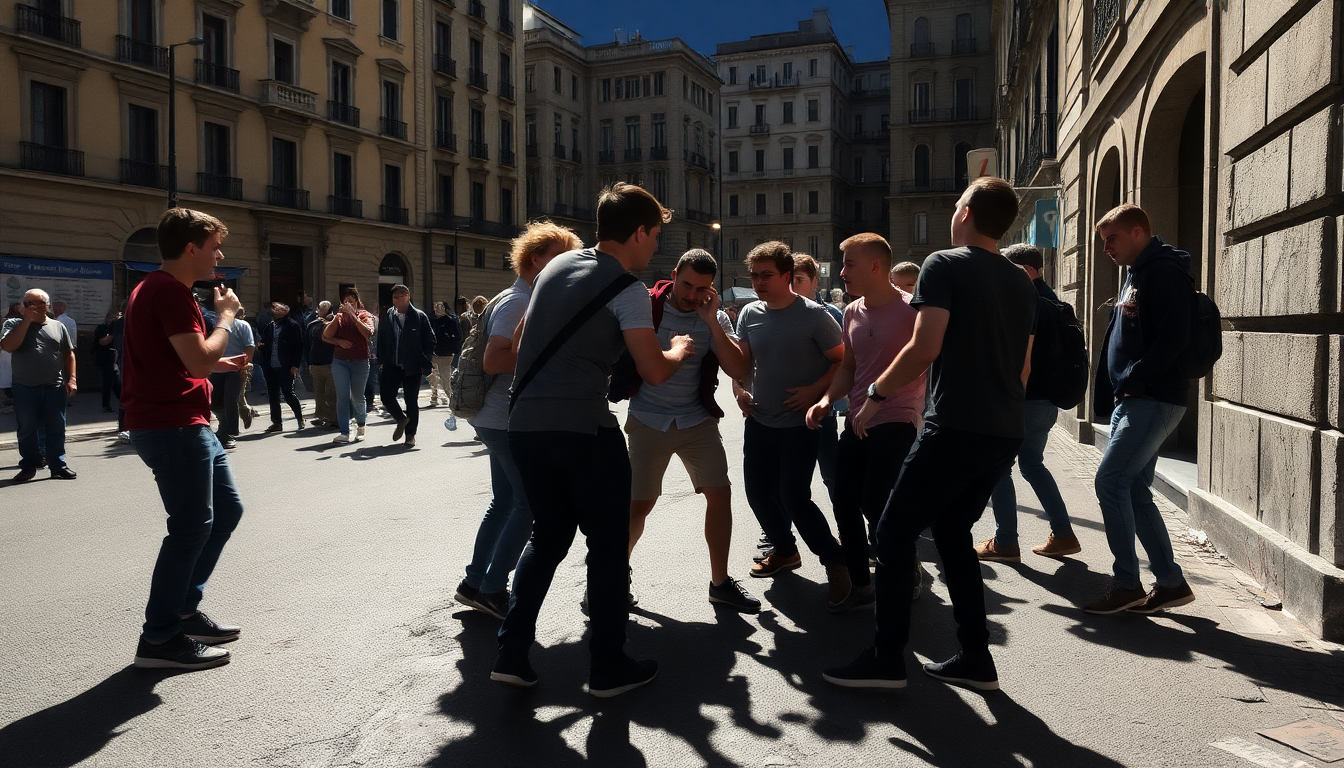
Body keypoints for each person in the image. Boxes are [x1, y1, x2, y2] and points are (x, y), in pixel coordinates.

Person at [824, 177, 1035, 692]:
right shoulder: (1020, 281)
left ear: (964, 212)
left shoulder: (945, 262)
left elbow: (925, 346)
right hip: (1004, 428)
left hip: (957, 425)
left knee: (894, 534)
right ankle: (975, 658)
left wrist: (874, 396)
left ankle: (887, 659)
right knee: (951, 533)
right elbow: (1024, 368)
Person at [495, 183, 691, 697]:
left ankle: (512, 653)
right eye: (655, 237)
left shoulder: (555, 269)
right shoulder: (626, 289)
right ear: (641, 232)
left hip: (526, 426)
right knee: (607, 547)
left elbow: (518, 344)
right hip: (583, 428)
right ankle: (607, 667)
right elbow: (652, 369)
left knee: (547, 536)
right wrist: (678, 348)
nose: (655, 248)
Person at [123, 207, 248, 670]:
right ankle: (159, 638)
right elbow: (195, 361)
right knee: (192, 526)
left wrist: (222, 364)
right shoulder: (171, 293)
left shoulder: (155, 289)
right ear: (191, 248)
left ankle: (182, 610)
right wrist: (227, 318)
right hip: (172, 424)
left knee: (225, 511)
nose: (220, 255)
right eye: (215, 246)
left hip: (182, 420)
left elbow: (179, 357)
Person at [621, 249, 760, 613]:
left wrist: (713, 322)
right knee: (639, 506)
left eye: (703, 288)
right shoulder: (647, 306)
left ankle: (720, 583)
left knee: (720, 494)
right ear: (675, 273)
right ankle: (613, 577)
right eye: (687, 285)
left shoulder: (711, 313)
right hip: (649, 418)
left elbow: (739, 368)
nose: (693, 295)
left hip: (696, 419)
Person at [456, 221, 583, 619]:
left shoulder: (527, 297)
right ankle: (492, 588)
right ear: (535, 259)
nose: (566, 265)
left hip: (498, 418)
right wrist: (545, 352)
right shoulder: (519, 301)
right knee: (528, 505)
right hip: (503, 419)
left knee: (505, 501)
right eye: (559, 257)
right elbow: (495, 359)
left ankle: (475, 581)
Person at [1082, 204, 1197, 615]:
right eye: (1103, 241)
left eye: (1112, 238)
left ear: (1138, 232)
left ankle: (1127, 583)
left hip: (1151, 399)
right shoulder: (1137, 272)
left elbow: (1174, 337)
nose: (1107, 247)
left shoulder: (1162, 271)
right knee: (1131, 488)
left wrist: (1133, 379)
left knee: (1110, 482)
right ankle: (1170, 583)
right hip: (1136, 400)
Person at [806, 233, 925, 612]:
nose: (841, 272)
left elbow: (922, 361)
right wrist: (826, 400)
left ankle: (907, 567)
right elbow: (850, 367)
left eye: (849, 264)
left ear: (876, 266)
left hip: (897, 419)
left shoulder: (912, 310)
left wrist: (880, 398)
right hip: (856, 420)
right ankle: (861, 586)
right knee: (844, 503)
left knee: (877, 503)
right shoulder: (852, 312)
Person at [732, 242, 848, 607]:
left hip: (801, 425)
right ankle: (785, 551)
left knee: (794, 497)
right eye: (754, 275)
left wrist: (814, 391)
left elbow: (842, 362)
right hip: (760, 421)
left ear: (786, 276)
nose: (759, 282)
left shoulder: (815, 315)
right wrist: (738, 389)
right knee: (757, 493)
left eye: (766, 275)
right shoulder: (749, 312)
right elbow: (741, 364)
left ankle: (836, 562)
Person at [976, 244, 1081, 563]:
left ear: (1025, 271)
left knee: (997, 467)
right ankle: (1063, 533)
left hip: (1020, 400)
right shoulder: (1056, 303)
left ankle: (1006, 541)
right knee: (1032, 464)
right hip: (1045, 401)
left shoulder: (1026, 303)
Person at [2, 288, 77, 482]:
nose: (32, 307)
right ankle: (28, 466)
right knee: (27, 429)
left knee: (56, 428)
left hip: (54, 387)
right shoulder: (14, 324)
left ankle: (58, 465)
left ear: (47, 305)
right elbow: (9, 346)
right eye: (27, 303)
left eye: (37, 303)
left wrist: (72, 379)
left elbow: (69, 354)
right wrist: (27, 321)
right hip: (25, 388)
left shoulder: (57, 326)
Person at [376, 285, 435, 448]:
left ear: (408, 297)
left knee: (411, 401)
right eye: (394, 298)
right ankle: (400, 418)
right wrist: (381, 359)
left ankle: (410, 435)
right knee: (386, 396)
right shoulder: (388, 315)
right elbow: (381, 338)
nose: (396, 301)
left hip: (411, 366)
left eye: (400, 297)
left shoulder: (418, 316)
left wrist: (425, 359)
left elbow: (430, 340)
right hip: (391, 364)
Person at [323, 287, 375, 444]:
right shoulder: (338, 317)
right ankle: (344, 432)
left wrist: (353, 315)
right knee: (343, 396)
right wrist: (338, 340)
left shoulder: (365, 315)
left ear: (357, 303)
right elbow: (326, 336)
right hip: (340, 361)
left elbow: (368, 333)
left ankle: (361, 427)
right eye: (345, 302)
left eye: (351, 302)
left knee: (358, 397)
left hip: (359, 361)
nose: (347, 304)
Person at [207, 305, 255, 449]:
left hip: (235, 370)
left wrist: (244, 366)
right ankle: (223, 428)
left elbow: (249, 346)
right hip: (215, 369)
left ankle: (229, 433)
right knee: (215, 402)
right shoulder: (214, 325)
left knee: (230, 400)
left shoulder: (242, 325)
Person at [255, 302, 305, 433]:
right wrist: (261, 346)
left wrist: (295, 365)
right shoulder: (270, 326)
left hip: (286, 365)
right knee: (273, 394)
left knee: (288, 393)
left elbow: (299, 346)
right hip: (270, 365)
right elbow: (266, 342)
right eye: (274, 309)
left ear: (285, 311)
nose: (275, 312)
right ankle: (277, 423)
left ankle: (300, 418)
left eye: (278, 310)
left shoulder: (293, 325)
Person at [306, 301, 337, 428]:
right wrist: (309, 362)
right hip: (316, 363)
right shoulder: (313, 325)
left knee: (331, 393)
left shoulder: (334, 324)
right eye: (320, 308)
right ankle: (320, 416)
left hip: (331, 363)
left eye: (324, 309)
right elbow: (307, 344)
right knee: (319, 392)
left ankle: (334, 418)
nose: (321, 311)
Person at [428, 301, 461, 407]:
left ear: (444, 308)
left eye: (440, 307)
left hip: (446, 353)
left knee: (445, 377)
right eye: (436, 307)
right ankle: (434, 395)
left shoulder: (450, 321)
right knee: (433, 375)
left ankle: (450, 396)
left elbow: (457, 336)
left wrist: (452, 347)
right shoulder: (431, 320)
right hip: (434, 353)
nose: (437, 309)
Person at [93, 308, 121, 414]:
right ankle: (106, 405)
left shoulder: (119, 327)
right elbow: (103, 341)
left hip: (116, 356)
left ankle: (123, 402)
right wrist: (114, 333)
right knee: (108, 381)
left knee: (115, 382)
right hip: (105, 357)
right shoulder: (102, 328)